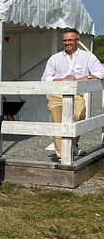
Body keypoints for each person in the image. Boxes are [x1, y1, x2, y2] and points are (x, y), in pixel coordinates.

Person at [41, 28, 104, 160]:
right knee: (57, 122)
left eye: (70, 39)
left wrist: (81, 79)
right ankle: (61, 155)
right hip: (56, 93)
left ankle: (72, 145)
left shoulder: (87, 56)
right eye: (65, 40)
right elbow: (45, 78)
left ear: (77, 40)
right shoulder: (55, 58)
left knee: (79, 114)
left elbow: (100, 72)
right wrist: (62, 79)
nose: (67, 42)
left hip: (76, 93)